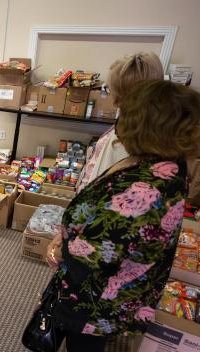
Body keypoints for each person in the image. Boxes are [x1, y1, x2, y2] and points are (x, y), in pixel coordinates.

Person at [34, 79, 200, 352]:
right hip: (119, 285)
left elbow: (101, 247)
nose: (119, 115)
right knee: (89, 343)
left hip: (101, 289)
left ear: (143, 123)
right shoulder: (165, 165)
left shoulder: (148, 184)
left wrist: (61, 248)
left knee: (84, 339)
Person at [46, 52, 164, 269]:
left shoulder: (129, 144)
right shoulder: (133, 128)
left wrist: (67, 238)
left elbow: (99, 202)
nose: (112, 98)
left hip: (92, 243)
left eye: (114, 91)